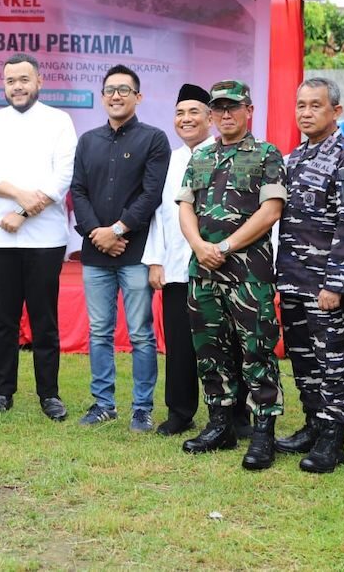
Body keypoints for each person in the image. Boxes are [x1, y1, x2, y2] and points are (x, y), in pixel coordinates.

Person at [177, 79, 286, 471]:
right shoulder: (201, 157)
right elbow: (185, 208)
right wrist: (199, 247)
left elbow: (270, 211)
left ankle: (262, 432)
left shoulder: (266, 155)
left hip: (247, 275)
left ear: (249, 111)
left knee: (256, 351)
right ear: (211, 114)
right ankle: (219, 424)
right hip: (203, 271)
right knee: (211, 351)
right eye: (219, 108)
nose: (226, 114)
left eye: (233, 107)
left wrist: (224, 247)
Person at [0, 53, 76, 421]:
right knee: (4, 319)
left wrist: (26, 212)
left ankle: (50, 394)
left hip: (45, 237)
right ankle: (3, 392)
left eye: (24, 79)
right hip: (0, 239)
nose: (18, 86)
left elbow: (63, 176)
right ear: (4, 84)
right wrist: (17, 195)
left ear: (39, 82)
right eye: (11, 80)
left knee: (44, 318)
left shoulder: (59, 121)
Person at [274, 78, 344, 473]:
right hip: (293, 279)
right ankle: (313, 424)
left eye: (315, 105)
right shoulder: (294, 158)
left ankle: (334, 437)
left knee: (334, 359)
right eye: (301, 105)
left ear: (336, 111)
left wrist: (335, 284)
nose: (306, 112)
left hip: (325, 285)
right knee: (302, 358)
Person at [70, 64, 170, 431]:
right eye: (110, 90)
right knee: (99, 330)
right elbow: (77, 191)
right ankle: (103, 403)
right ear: (102, 97)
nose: (116, 95)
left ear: (138, 97)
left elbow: (152, 194)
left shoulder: (154, 139)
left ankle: (141, 407)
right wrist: (97, 232)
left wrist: (117, 229)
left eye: (124, 90)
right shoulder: (88, 140)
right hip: (96, 253)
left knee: (141, 332)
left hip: (135, 252)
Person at [142, 83, 214, 436]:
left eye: (194, 112)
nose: (186, 119)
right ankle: (180, 411)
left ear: (210, 118)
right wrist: (155, 261)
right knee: (179, 346)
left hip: (217, 269)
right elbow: (158, 214)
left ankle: (231, 415)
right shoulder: (170, 160)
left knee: (221, 344)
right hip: (175, 269)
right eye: (180, 113)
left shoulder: (224, 154)